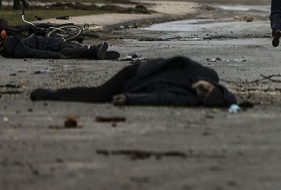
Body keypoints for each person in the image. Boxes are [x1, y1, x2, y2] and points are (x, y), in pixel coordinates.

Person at [29, 56, 239, 107]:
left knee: (97, 94)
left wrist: (129, 98)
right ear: (212, 84)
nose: (200, 91)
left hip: (133, 86)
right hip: (135, 73)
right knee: (97, 95)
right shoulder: (206, 73)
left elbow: (159, 98)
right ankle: (50, 94)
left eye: (203, 96)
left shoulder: (190, 99)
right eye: (206, 89)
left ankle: (53, 94)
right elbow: (180, 60)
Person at [0, 30, 118, 60]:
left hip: (53, 47)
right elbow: (36, 51)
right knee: (77, 49)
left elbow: (35, 53)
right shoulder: (15, 43)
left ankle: (95, 52)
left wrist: (55, 55)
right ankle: (97, 52)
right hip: (54, 42)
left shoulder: (14, 48)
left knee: (75, 52)